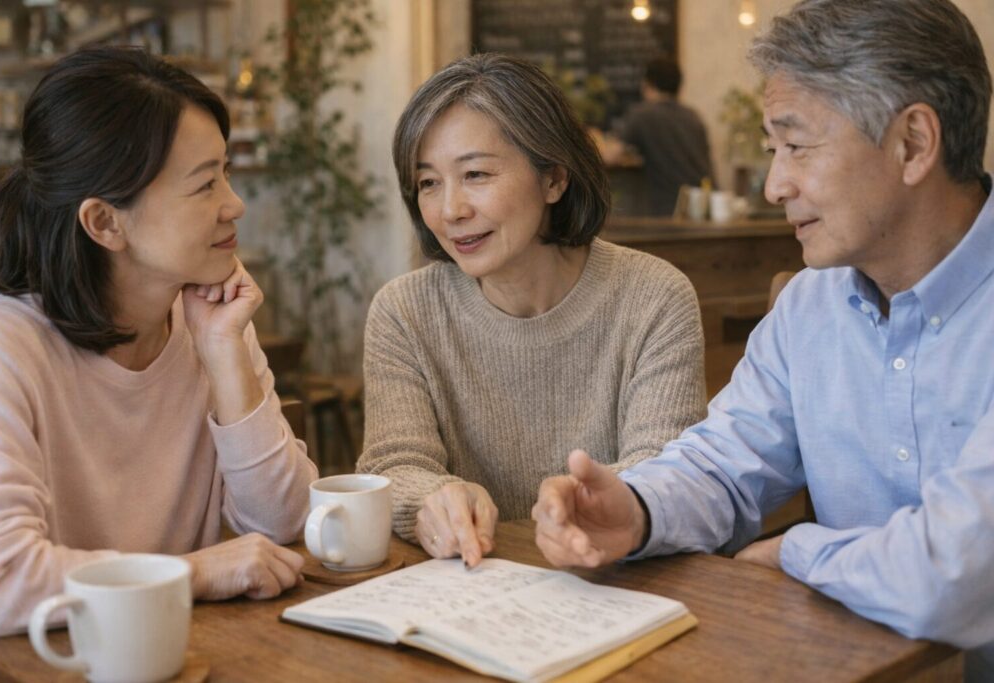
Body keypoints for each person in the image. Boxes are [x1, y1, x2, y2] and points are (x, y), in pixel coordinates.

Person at [532, 0, 994, 679]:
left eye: (797, 144)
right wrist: (633, 509)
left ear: (914, 144)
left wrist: (795, 552)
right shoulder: (812, 305)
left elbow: (957, 570)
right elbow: (724, 462)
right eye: (771, 148)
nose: (775, 184)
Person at [0, 47, 316, 638]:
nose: (235, 204)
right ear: (105, 222)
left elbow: (287, 520)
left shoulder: (213, 325)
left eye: (226, 172)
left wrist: (225, 355)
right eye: (205, 184)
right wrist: (192, 573)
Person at [355, 53, 706, 568]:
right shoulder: (404, 312)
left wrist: (586, 505)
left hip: (616, 587)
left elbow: (666, 470)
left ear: (554, 179)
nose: (450, 210)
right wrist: (432, 500)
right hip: (471, 594)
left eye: (475, 173)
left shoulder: (653, 297)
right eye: (428, 182)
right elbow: (397, 463)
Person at [601, 58, 714, 216]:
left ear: (647, 84)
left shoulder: (643, 114)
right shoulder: (693, 116)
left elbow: (609, 156)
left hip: (668, 209)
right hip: (704, 205)